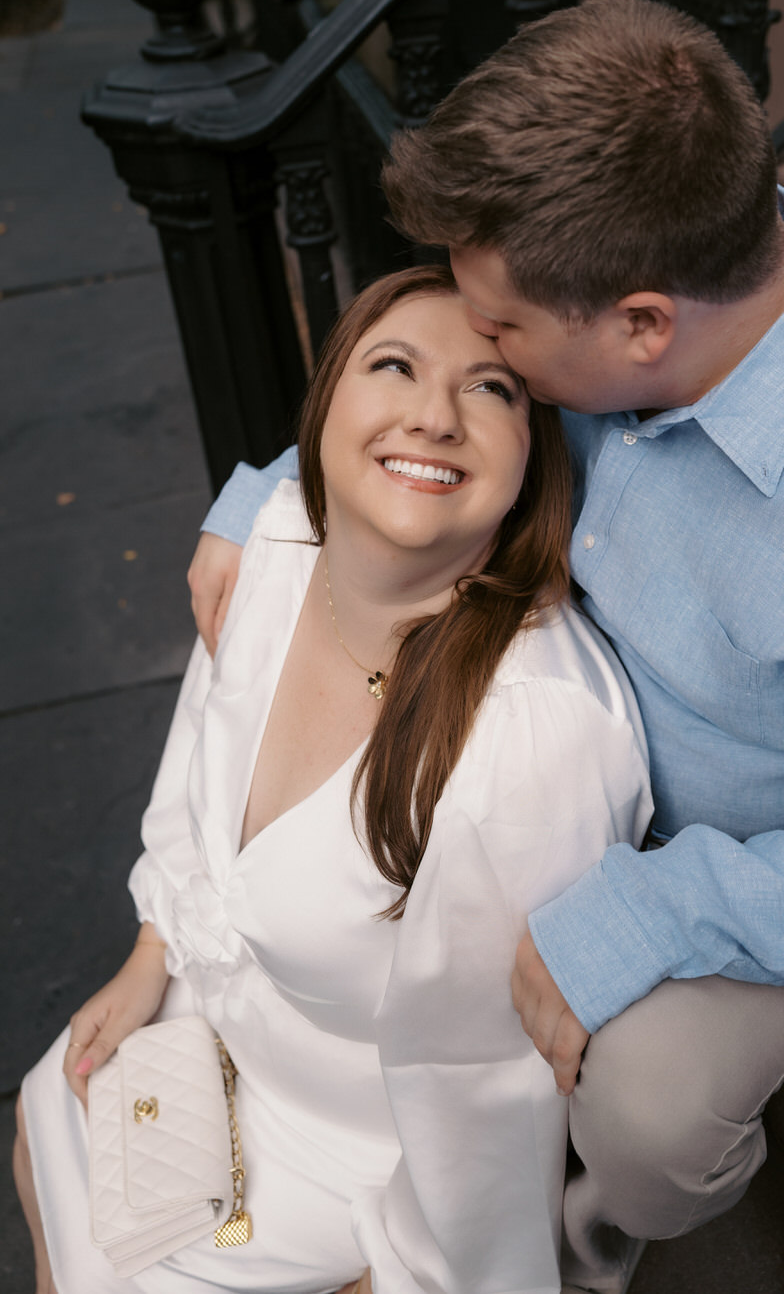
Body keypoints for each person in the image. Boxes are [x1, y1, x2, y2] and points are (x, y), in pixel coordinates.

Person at [186, 0, 784, 1292]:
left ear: (642, 325)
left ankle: (597, 1230)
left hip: (736, 849)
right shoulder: (600, 279)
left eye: (501, 339)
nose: (474, 346)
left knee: (649, 1108)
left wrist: (661, 906)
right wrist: (271, 492)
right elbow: (428, 395)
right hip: (529, 721)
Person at [13, 263, 654, 1294]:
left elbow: (485, 1090)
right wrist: (151, 949)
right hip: (214, 1023)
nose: (433, 414)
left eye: (490, 388)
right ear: (325, 411)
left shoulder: (532, 740)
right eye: (392, 365)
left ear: (531, 457)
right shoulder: (273, 543)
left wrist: (397, 1273)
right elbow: (197, 761)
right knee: (50, 1109)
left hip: (363, 1158)